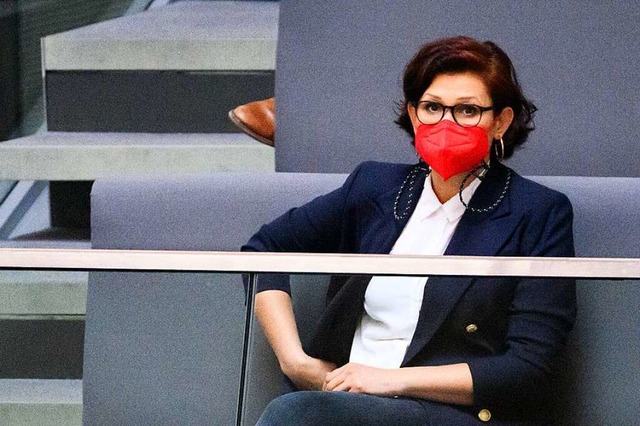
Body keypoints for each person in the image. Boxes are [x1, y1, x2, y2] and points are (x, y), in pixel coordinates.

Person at [242, 36, 576, 425]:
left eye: (467, 110)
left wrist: (388, 381)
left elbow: (528, 367)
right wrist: (296, 361)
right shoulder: (374, 186)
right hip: (343, 404)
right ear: (415, 115)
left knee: (295, 413)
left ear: (500, 121)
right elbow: (265, 249)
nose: (447, 123)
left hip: (453, 413)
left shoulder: (537, 211)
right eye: (432, 107)